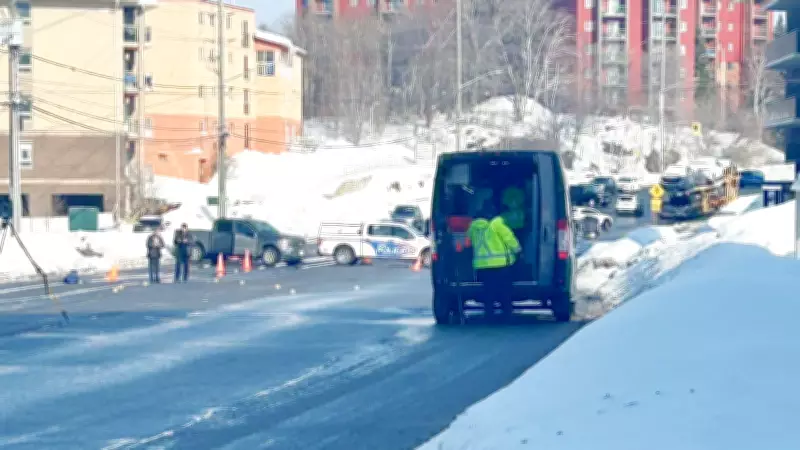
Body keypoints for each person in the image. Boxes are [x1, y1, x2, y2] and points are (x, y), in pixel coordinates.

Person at [467, 197, 521, 320]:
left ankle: (489, 312)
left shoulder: (474, 226)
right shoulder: (497, 223)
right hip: (501, 264)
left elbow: (469, 241)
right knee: (504, 290)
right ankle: (506, 313)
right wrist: (518, 250)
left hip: (482, 265)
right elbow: (509, 238)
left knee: (488, 290)